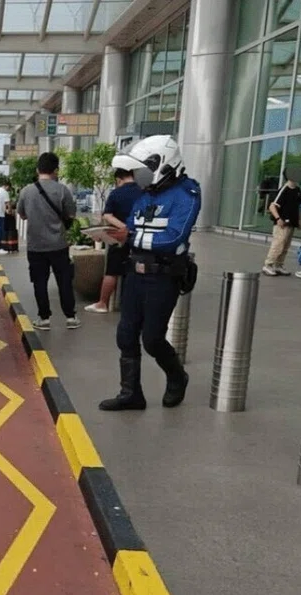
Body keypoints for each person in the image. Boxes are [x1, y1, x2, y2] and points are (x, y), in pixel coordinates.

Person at [99, 135, 200, 411]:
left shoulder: (187, 193)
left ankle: (177, 376)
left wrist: (130, 237)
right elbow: (132, 226)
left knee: (153, 339)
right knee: (126, 334)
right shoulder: (146, 195)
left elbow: (174, 237)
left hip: (163, 276)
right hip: (135, 272)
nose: (139, 176)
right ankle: (130, 393)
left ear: (162, 164)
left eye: (144, 169)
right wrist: (115, 235)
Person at [15, 152, 81, 330]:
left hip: (36, 246)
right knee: (64, 281)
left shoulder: (26, 191)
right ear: (56, 170)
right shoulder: (62, 190)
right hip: (59, 245)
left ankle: (44, 319)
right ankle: (70, 317)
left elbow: (22, 214)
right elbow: (71, 215)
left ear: (38, 169)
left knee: (39, 282)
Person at [85, 166, 144, 313]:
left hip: (118, 237)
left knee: (112, 271)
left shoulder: (116, 193)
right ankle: (132, 305)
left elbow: (107, 215)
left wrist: (125, 228)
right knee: (135, 270)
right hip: (140, 238)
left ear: (118, 179)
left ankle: (102, 303)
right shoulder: (143, 193)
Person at [263, 169, 301, 276]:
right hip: (282, 223)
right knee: (278, 244)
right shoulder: (284, 190)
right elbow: (272, 206)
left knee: (285, 246)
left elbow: (298, 207)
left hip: (291, 223)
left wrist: (299, 220)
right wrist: (278, 219)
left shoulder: (298, 190)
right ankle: (268, 265)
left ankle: (278, 265)